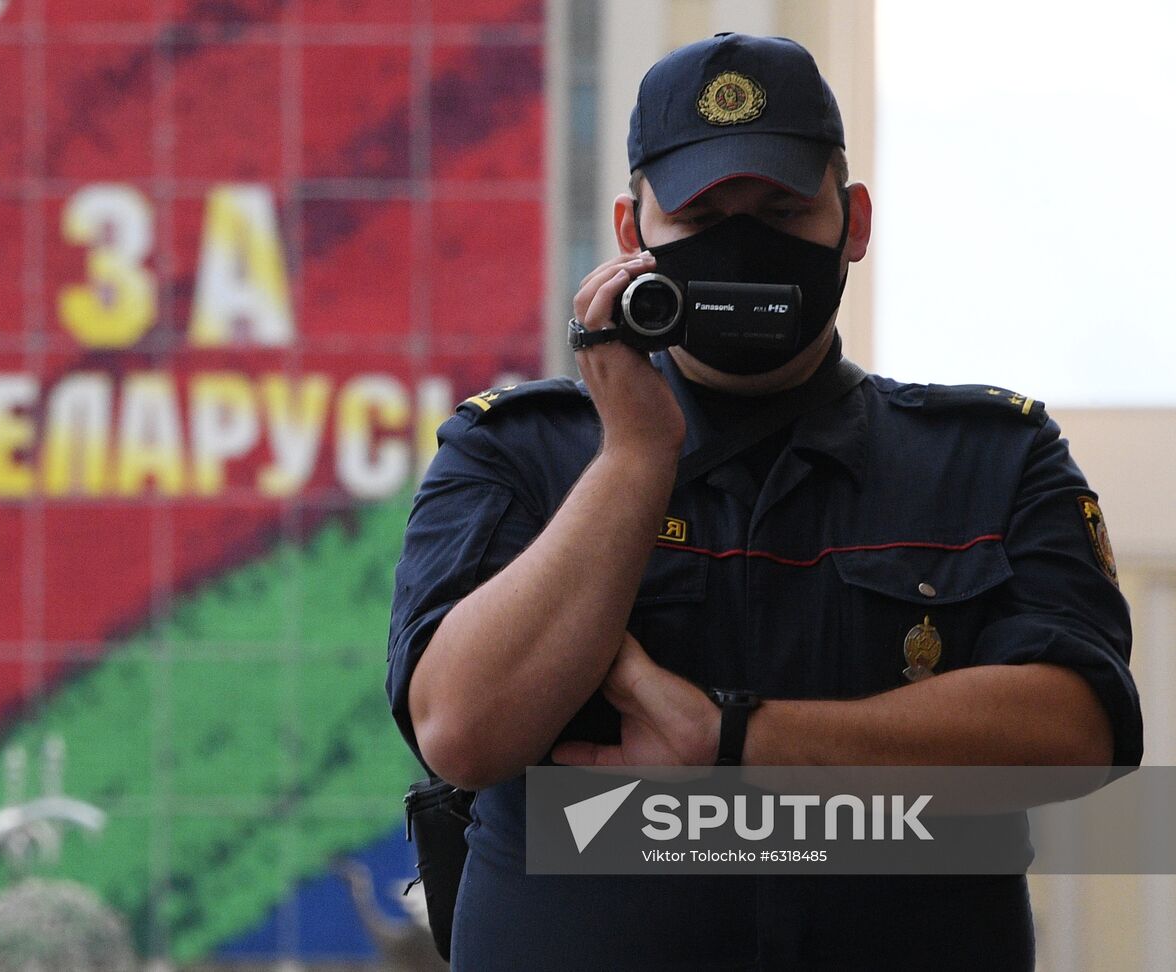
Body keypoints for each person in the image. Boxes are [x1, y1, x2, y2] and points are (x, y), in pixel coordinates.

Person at [386, 32, 1142, 971]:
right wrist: (633, 457)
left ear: (852, 223)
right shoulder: (517, 451)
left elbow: (1076, 735)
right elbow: (463, 729)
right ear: (633, 235)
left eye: (783, 209)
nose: (746, 244)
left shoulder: (990, 460)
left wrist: (734, 739)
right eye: (705, 217)